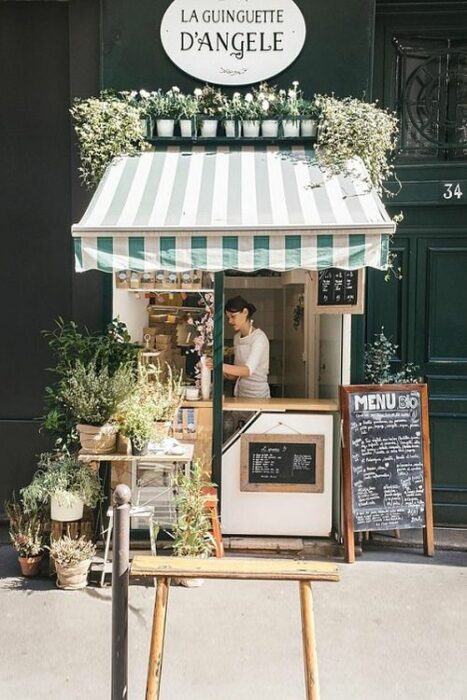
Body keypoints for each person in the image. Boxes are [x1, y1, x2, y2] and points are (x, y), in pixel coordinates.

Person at [208, 295, 270, 399]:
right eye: (228, 318)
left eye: (233, 316)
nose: (230, 321)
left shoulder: (259, 338)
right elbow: (235, 375)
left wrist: (219, 365)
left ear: (245, 312)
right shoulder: (237, 338)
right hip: (241, 394)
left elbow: (247, 370)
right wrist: (215, 370)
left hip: (258, 396)